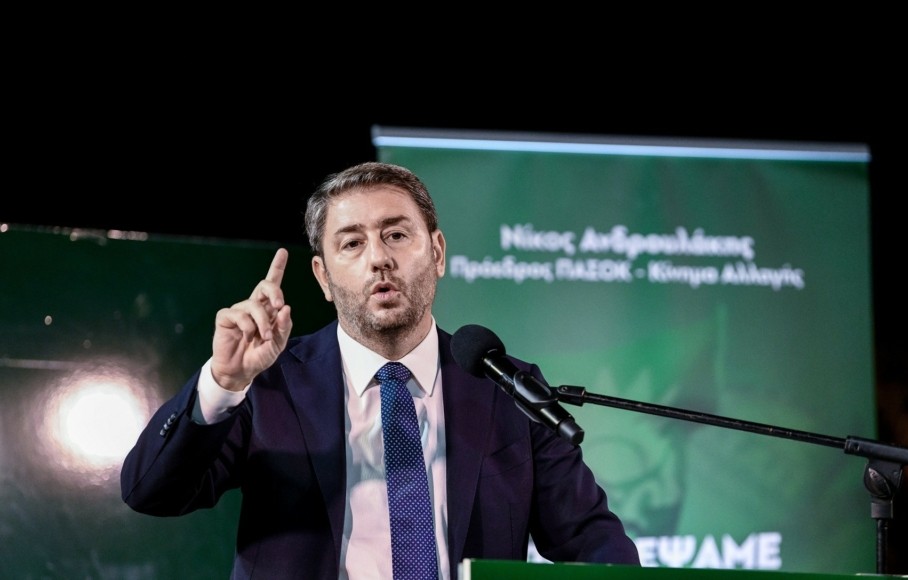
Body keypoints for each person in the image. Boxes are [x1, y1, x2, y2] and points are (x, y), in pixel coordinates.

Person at [120, 161, 640, 579]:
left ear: (437, 253)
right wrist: (224, 383)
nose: (379, 259)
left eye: (396, 235)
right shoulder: (270, 383)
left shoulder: (507, 387)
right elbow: (152, 492)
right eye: (352, 243)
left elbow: (592, 541)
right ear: (323, 277)